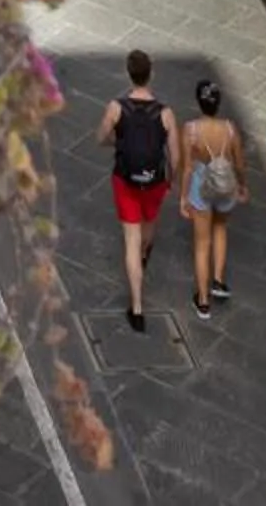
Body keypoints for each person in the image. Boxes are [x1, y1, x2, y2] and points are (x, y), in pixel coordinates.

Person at [98, 49, 179, 332]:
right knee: (149, 226)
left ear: (128, 73)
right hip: (154, 182)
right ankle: (145, 252)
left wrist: (118, 143)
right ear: (151, 73)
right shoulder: (166, 114)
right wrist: (172, 180)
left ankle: (137, 308)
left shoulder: (116, 107)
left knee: (130, 239)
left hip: (125, 181)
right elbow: (175, 155)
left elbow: (102, 137)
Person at [178, 76, 248, 317]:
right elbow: (239, 162)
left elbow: (187, 167)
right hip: (225, 184)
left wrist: (183, 197)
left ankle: (203, 300)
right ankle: (218, 280)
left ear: (199, 102)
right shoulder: (230, 129)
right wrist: (242, 185)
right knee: (220, 229)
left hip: (201, 185)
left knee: (201, 244)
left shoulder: (191, 130)